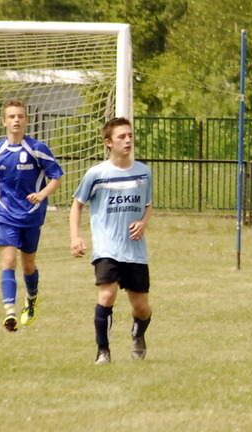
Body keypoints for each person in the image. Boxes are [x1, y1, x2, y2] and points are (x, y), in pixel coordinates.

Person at [69, 117, 154, 365]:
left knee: (141, 307)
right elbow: (77, 206)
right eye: (121, 137)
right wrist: (75, 237)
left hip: (135, 250)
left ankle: (138, 333)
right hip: (107, 247)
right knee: (107, 296)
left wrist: (144, 222)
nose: (128, 140)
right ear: (108, 143)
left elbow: (148, 205)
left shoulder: (144, 172)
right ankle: (103, 351)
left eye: (130, 135)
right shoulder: (96, 174)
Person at [0, 99, 64, 332]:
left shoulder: (37, 149)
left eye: (20, 116)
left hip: (31, 214)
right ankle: (9, 312)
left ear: (26, 120)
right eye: (12, 116)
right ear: (4, 121)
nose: (16, 120)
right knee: (8, 262)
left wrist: (42, 194)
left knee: (28, 266)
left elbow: (57, 177)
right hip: (4, 213)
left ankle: (32, 298)